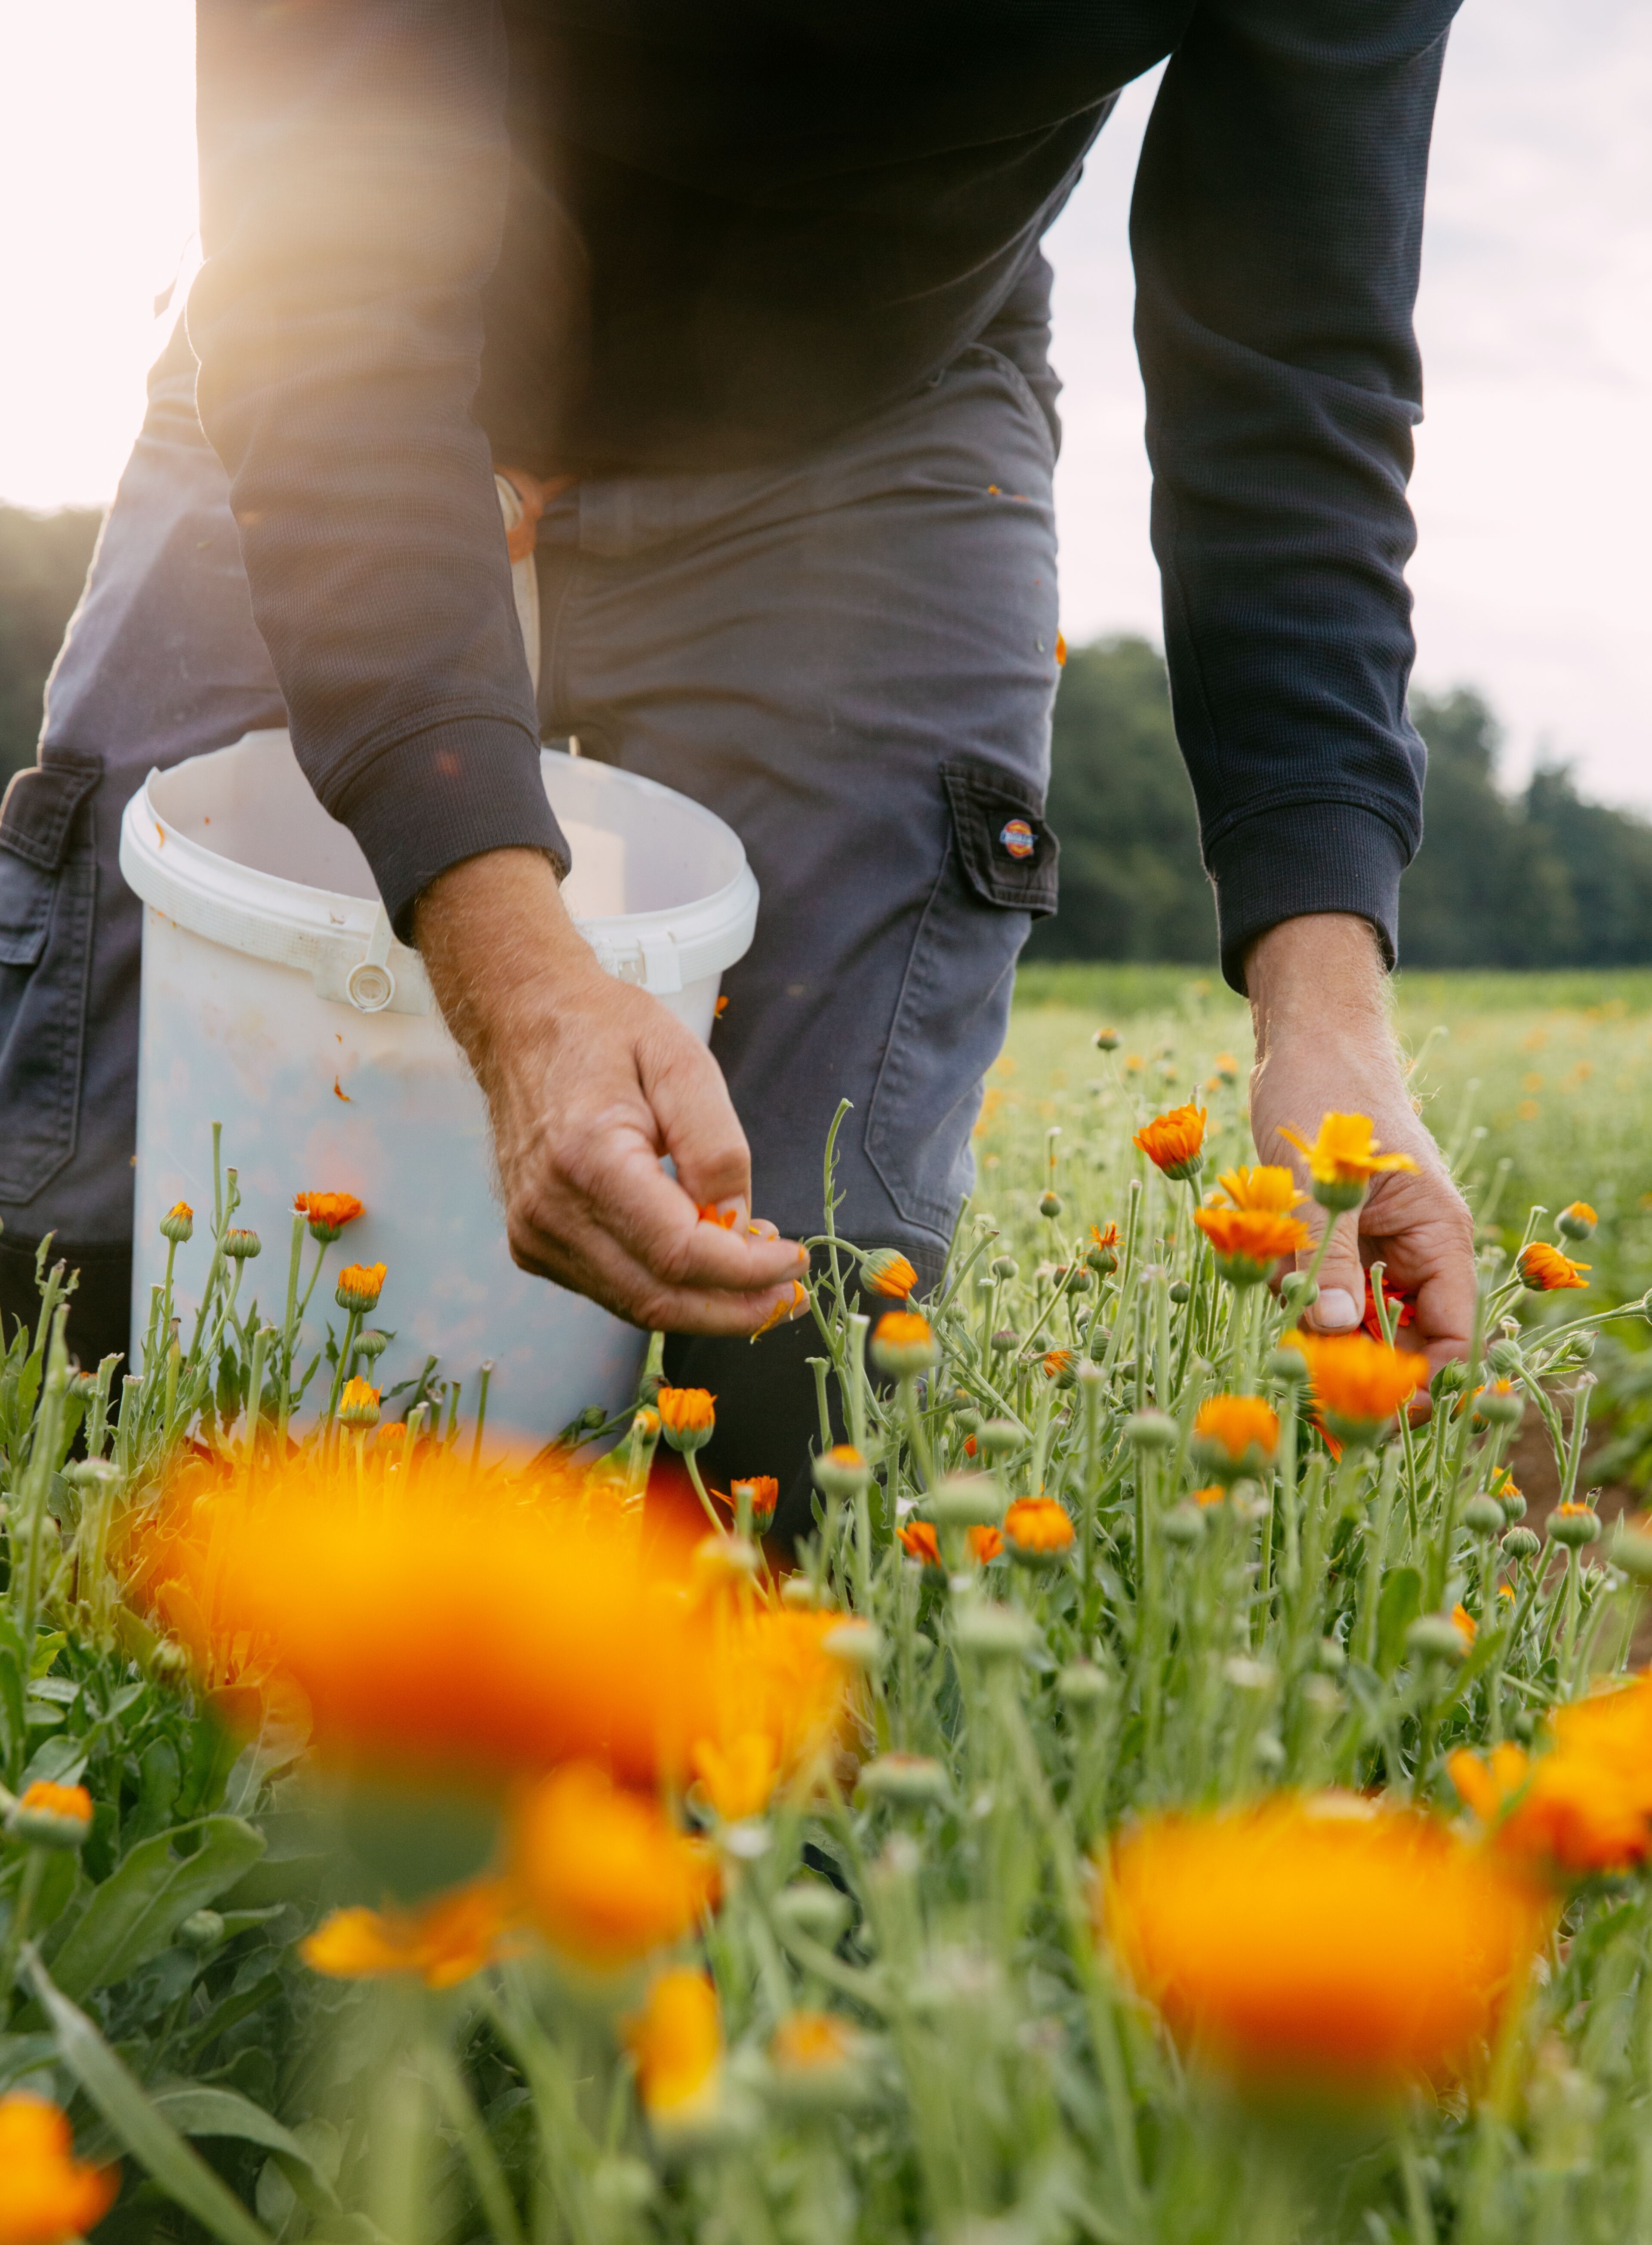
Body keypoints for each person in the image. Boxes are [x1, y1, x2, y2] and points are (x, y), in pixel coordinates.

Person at [0, 0, 1474, 1536]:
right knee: (80, 1253)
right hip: (347, 318)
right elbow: (329, 270)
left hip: (881, 414)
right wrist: (516, 983)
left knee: (804, 1340)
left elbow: (1294, 371)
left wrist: (1332, 1026)